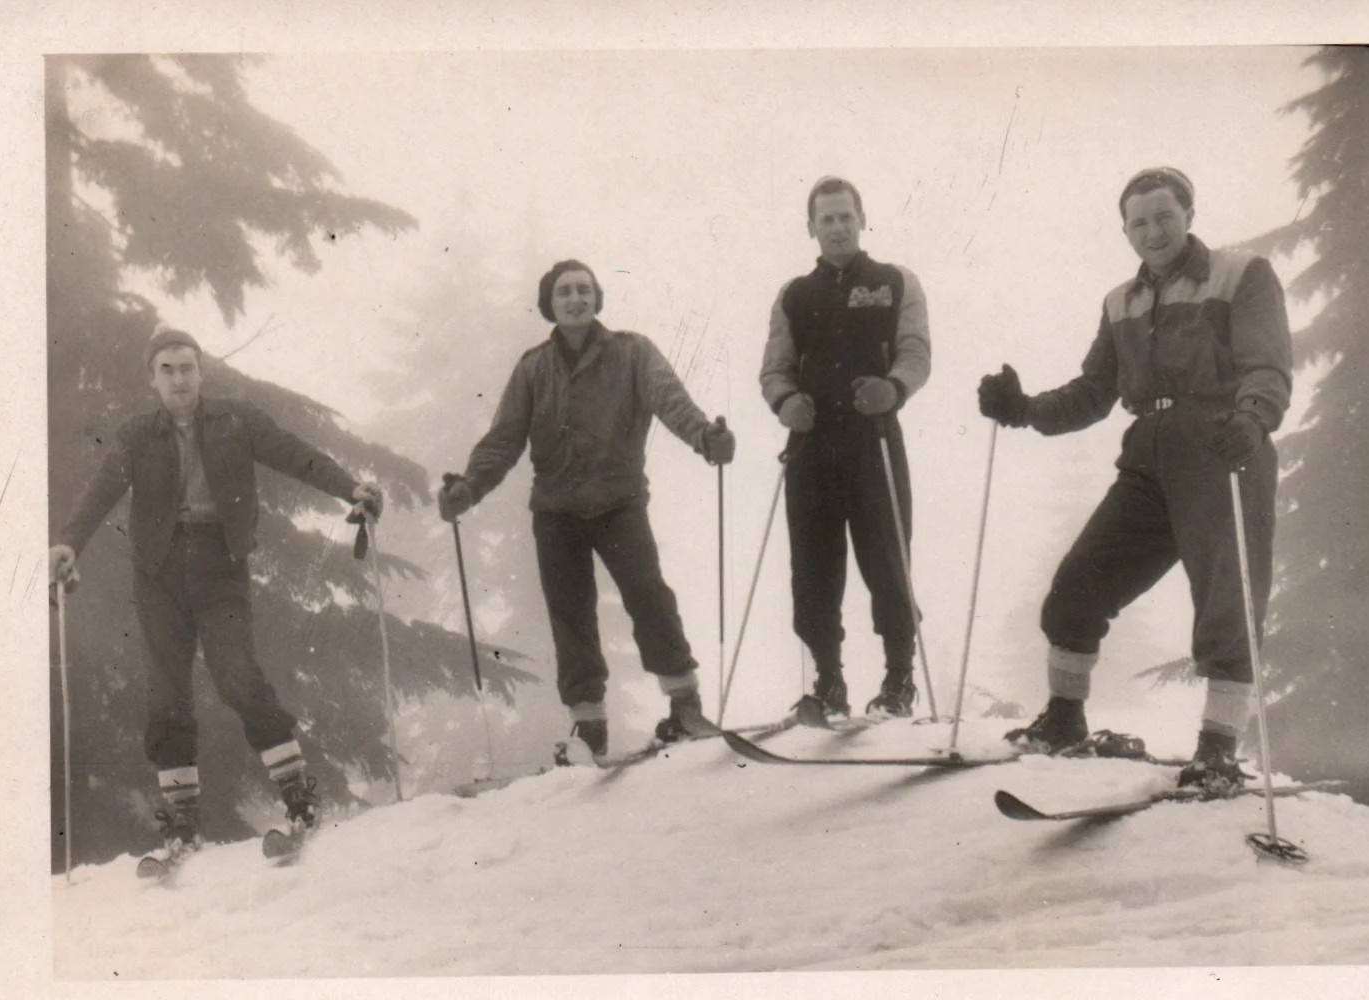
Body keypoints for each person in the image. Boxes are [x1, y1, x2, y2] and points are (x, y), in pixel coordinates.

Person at [976, 166, 1293, 789]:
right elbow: (1094, 393)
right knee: (1077, 588)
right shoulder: (1121, 301)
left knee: (1227, 606)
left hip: (1224, 452)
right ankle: (1064, 719)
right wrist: (1022, 409)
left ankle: (1217, 751)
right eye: (1138, 222)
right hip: (1147, 462)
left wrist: (1254, 418)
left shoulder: (1241, 276)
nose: (1153, 231)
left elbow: (1267, 363)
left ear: (1189, 215)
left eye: (1164, 217)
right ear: (1124, 230)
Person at [48, 328, 384, 857]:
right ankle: (182, 827)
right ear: (152, 380)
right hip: (158, 573)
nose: (178, 379)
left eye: (187, 368)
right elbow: (100, 491)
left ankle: (300, 804)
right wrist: (68, 544)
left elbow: (294, 454)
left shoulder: (236, 420)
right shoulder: (136, 434)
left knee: (238, 677)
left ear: (201, 373)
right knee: (167, 694)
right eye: (167, 370)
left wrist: (349, 487)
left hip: (219, 567)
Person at [438, 259, 736, 759]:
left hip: (619, 503)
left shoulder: (633, 353)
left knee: (647, 596)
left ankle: (685, 705)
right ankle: (588, 729)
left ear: (597, 298)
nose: (575, 299)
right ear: (549, 306)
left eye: (583, 290)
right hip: (556, 513)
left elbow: (672, 402)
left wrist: (707, 438)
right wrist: (468, 488)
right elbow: (503, 440)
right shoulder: (532, 368)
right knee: (571, 617)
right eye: (563, 293)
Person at [759, 176, 932, 721]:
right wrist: (786, 401)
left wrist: (893, 388)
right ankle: (828, 682)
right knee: (813, 566)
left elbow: (916, 352)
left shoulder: (894, 281)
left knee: (886, 557)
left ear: (862, 219)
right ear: (810, 227)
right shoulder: (794, 294)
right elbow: (774, 367)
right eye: (826, 219)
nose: (837, 227)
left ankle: (899, 680)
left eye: (845, 216)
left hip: (872, 438)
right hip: (812, 443)